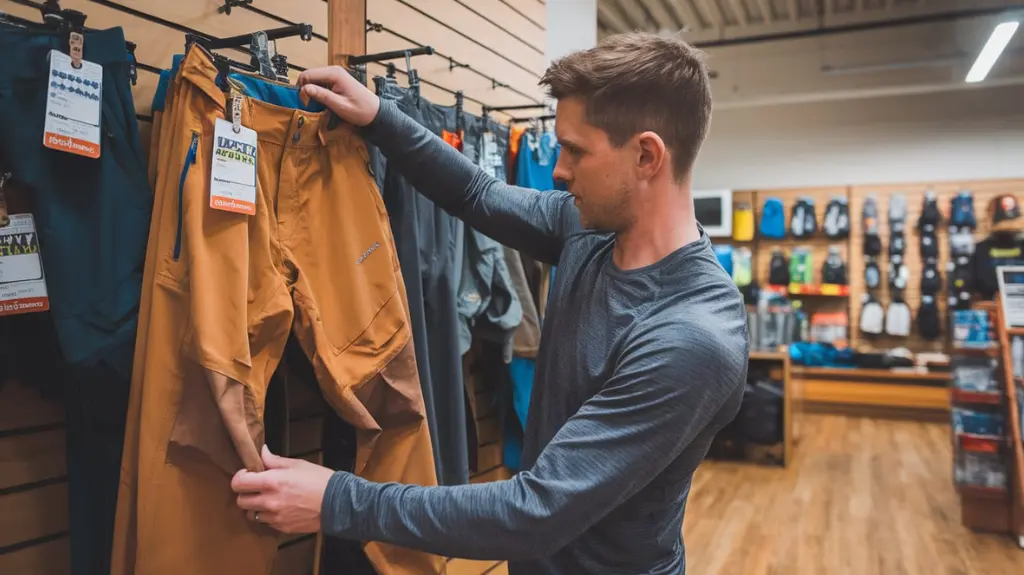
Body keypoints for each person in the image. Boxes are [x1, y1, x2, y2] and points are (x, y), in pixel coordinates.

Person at [231, 32, 748, 574]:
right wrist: (380, 117)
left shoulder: (691, 337)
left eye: (576, 150)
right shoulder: (589, 231)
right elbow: (478, 194)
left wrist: (336, 500)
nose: (559, 170)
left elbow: (537, 510)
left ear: (646, 155)